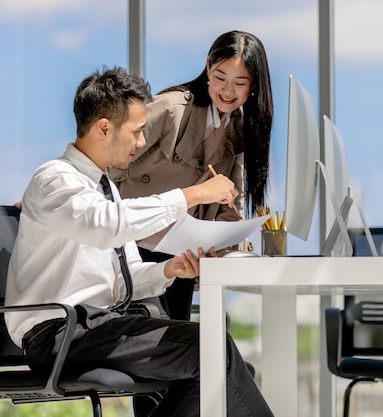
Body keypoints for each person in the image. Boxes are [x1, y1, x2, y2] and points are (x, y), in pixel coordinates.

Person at [4, 66, 274, 417]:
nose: (142, 142)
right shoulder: (56, 179)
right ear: (104, 128)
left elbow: (126, 276)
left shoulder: (105, 188)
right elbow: (107, 226)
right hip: (60, 333)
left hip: (96, 326)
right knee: (210, 350)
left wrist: (169, 269)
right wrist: (192, 194)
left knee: (210, 355)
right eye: (136, 131)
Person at [110, 30, 274, 320]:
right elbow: (108, 154)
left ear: (254, 86)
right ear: (208, 67)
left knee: (177, 345)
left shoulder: (238, 128)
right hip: (133, 249)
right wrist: (64, 188)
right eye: (220, 77)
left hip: (181, 256)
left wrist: (233, 245)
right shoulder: (172, 108)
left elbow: (229, 206)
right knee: (150, 345)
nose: (227, 90)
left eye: (239, 83)